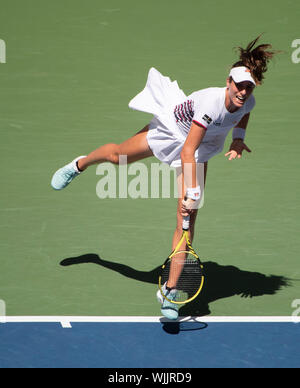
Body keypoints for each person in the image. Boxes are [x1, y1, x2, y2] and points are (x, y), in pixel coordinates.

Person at [51, 35, 277, 320]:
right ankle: (79, 164)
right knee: (117, 156)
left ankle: (171, 293)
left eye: (248, 87)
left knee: (187, 220)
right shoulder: (210, 104)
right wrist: (192, 191)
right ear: (228, 82)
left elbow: (242, 116)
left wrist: (237, 140)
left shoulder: (248, 101)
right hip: (174, 132)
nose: (243, 92)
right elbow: (186, 151)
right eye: (239, 85)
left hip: (201, 149)